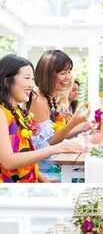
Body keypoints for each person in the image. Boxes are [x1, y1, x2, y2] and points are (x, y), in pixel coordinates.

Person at [0, 54, 79, 183]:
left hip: (30, 183)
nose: (31, 85)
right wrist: (56, 148)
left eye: (32, 79)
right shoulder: (1, 113)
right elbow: (8, 161)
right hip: (10, 191)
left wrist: (43, 179)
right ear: (6, 81)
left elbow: (27, 153)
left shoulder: (19, 113)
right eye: (26, 78)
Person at [30, 49, 90, 177]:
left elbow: (51, 140)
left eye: (69, 72)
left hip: (51, 165)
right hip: (43, 172)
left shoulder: (48, 97)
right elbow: (45, 146)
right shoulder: (37, 99)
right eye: (63, 73)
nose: (68, 77)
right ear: (48, 74)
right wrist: (74, 122)